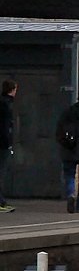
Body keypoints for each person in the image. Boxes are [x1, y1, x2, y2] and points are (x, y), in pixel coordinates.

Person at [0, 79, 17, 213]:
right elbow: (5, 127)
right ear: (12, 90)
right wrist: (9, 144)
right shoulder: (6, 105)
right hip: (2, 144)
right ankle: (1, 203)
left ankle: (2, 201)